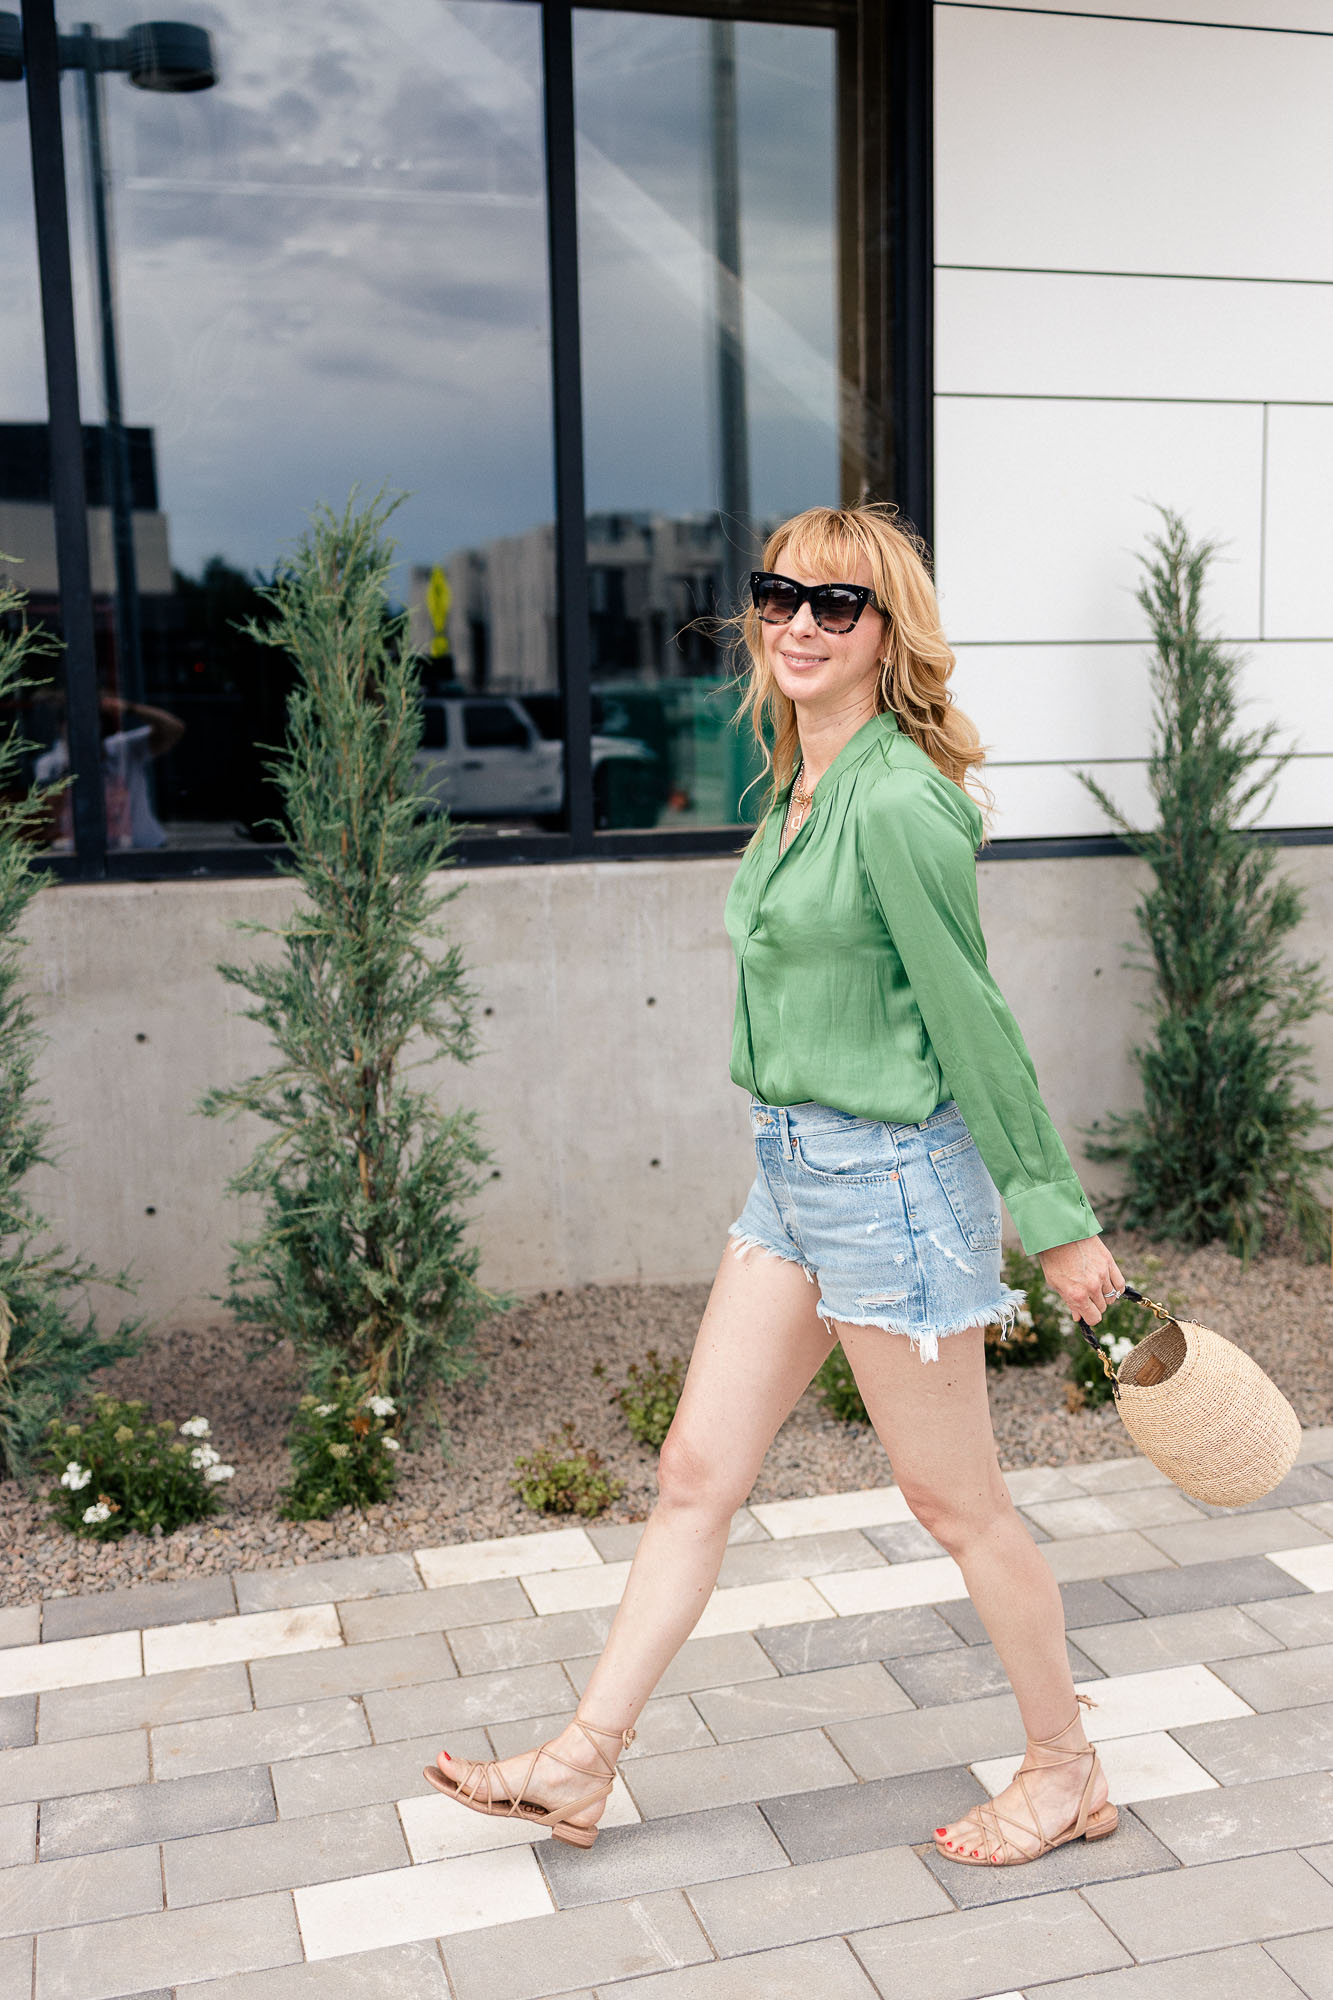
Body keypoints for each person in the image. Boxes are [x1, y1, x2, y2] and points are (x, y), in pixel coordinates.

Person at [422, 502, 1127, 1868]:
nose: (797, 623)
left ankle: (1062, 1771)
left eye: (836, 606)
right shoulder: (794, 778)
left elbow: (972, 1021)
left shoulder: (900, 800)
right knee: (694, 1472)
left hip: (893, 1186)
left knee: (958, 1506)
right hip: (794, 1177)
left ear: (886, 634)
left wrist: (1054, 1223)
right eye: (777, 595)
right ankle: (581, 1765)